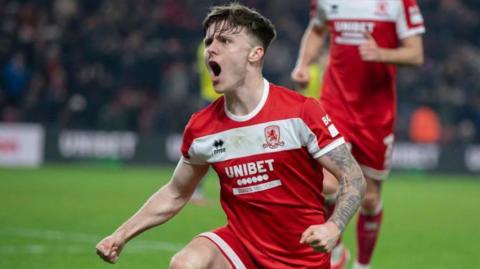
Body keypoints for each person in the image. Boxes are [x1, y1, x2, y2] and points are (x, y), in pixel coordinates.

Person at [96, 3, 366, 268]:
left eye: (225, 40)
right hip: (241, 248)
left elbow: (353, 176)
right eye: (209, 40)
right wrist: (120, 235)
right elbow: (176, 193)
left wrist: (333, 227)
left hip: (300, 258)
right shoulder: (201, 128)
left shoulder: (301, 112)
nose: (211, 48)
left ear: (255, 54)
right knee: (186, 263)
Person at [291, 1, 425, 269]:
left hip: (376, 113)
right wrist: (303, 63)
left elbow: (415, 54)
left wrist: (381, 53)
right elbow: (317, 29)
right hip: (335, 104)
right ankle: (336, 248)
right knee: (327, 182)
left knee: (370, 197)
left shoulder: (400, 3)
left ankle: (363, 265)